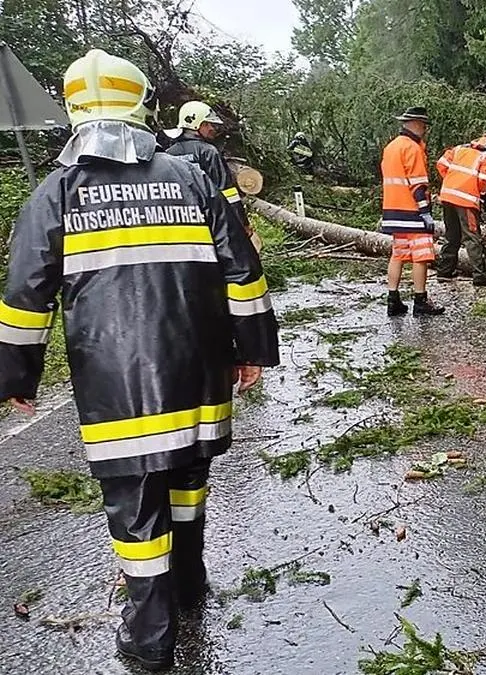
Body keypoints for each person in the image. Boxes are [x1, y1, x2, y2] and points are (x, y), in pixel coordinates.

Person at [0, 49, 280, 671]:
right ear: (143, 106)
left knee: (134, 501)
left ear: (73, 111)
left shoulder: (59, 192)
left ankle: (152, 636)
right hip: (197, 365)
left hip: (115, 379)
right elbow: (243, 268)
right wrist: (252, 347)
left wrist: (16, 373)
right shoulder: (191, 178)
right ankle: (189, 586)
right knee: (187, 475)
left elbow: (25, 292)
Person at [166, 100, 262, 251]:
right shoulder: (208, 152)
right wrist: (243, 224)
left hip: (180, 224)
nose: (212, 129)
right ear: (197, 124)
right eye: (208, 124)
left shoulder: (168, 154)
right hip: (211, 221)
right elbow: (228, 193)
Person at [381, 107, 444, 317]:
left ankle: (393, 299)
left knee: (397, 255)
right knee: (421, 256)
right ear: (415, 124)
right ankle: (420, 300)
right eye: (424, 125)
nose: (425, 129)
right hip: (412, 211)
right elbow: (417, 184)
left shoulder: (391, 147)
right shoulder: (412, 148)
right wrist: (425, 211)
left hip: (392, 210)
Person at [434, 132, 486, 285]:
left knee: (452, 235)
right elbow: (483, 180)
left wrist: (451, 180)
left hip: (448, 196)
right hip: (467, 199)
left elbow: (441, 164)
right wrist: (481, 195)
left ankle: (444, 271)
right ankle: (479, 275)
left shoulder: (459, 149)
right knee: (471, 237)